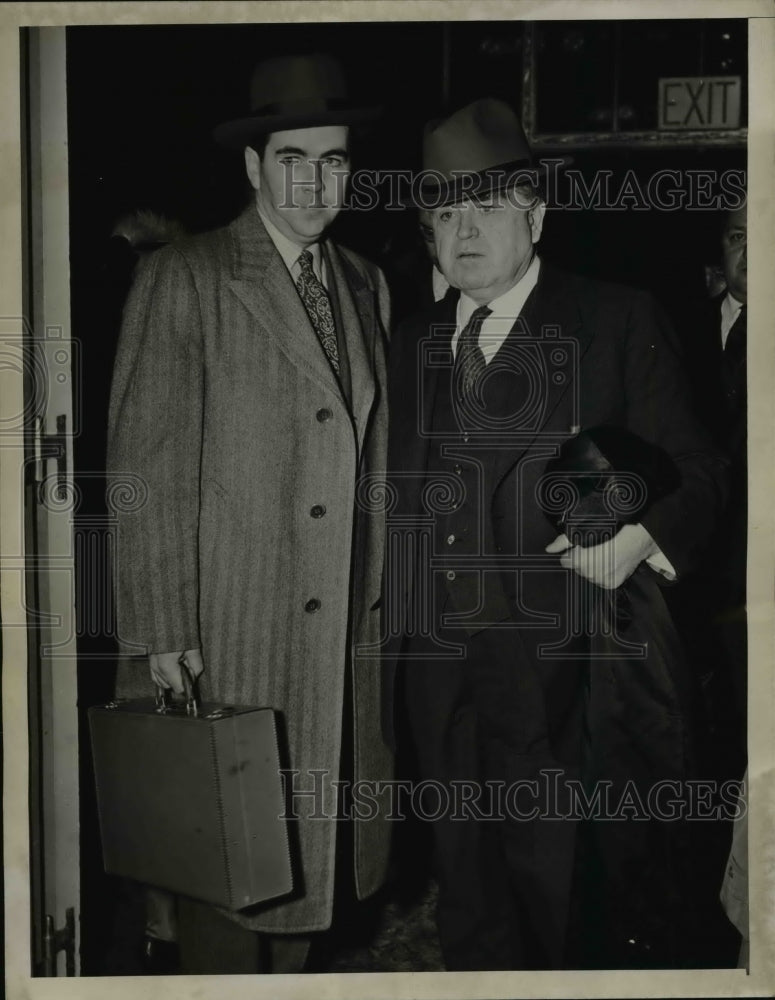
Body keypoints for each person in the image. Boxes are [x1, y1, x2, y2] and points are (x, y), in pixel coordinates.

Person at [383, 99, 727, 970]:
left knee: (564, 904)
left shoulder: (614, 320)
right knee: (469, 900)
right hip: (439, 678)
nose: (464, 231)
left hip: (565, 681)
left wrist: (637, 537)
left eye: (487, 207)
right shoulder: (410, 340)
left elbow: (701, 468)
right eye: (445, 212)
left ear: (535, 213)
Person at [107, 53, 393, 974]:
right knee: (229, 885)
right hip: (228, 637)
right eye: (294, 158)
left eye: (337, 160)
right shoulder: (186, 278)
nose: (317, 181)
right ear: (252, 167)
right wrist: (160, 634)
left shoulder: (364, 283)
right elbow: (144, 472)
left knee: (308, 883)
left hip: (335, 645)